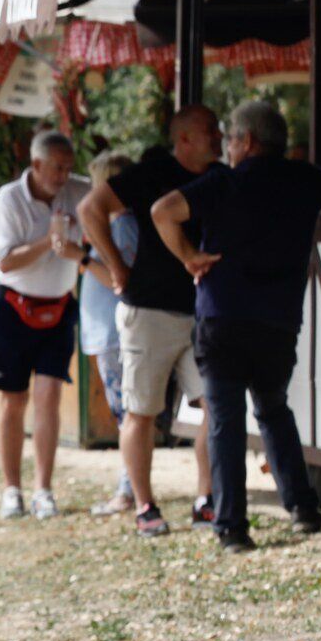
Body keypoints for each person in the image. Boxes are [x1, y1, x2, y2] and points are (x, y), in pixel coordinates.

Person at [152, 99, 321, 553]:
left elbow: (162, 211)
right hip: (278, 319)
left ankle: (232, 527)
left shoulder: (223, 182)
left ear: (246, 142)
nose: (227, 147)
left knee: (226, 422)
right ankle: (303, 507)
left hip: (222, 318)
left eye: (230, 139)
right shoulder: (303, 178)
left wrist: (189, 257)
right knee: (274, 408)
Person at [80, 106, 223, 539]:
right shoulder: (151, 173)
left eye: (218, 129)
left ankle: (206, 500)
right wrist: (116, 267)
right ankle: (145, 506)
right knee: (140, 413)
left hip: (201, 308)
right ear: (183, 139)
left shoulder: (219, 176)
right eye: (209, 130)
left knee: (215, 406)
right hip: (148, 311)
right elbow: (91, 208)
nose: (218, 136)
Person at [0, 130, 89, 520]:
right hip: (10, 304)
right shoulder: (8, 200)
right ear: (37, 164)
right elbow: (5, 261)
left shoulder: (79, 191)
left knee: (49, 395)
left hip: (59, 306)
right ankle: (12, 489)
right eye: (57, 168)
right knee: (13, 399)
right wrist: (50, 240)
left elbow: (106, 210)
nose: (64, 176)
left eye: (69, 168)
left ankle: (44, 489)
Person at [76, 153, 137, 519]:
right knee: (123, 414)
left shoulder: (124, 225)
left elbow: (119, 280)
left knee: (126, 415)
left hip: (116, 332)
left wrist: (81, 259)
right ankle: (127, 485)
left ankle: (128, 489)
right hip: (105, 331)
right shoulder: (113, 224)